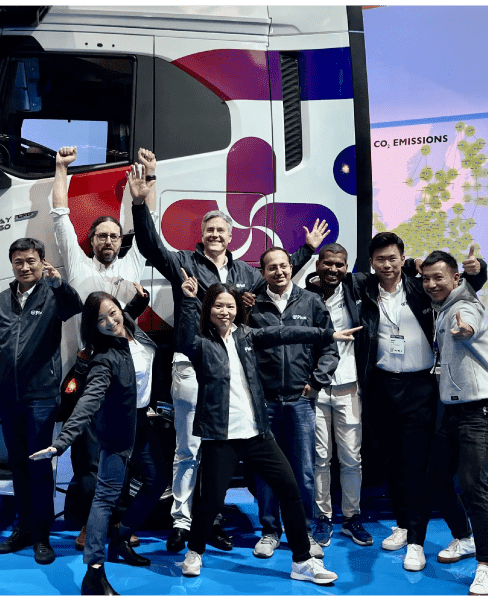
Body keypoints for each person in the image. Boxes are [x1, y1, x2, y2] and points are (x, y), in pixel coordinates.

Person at [128, 161, 329, 552]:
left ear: (231, 234)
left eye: (221, 229)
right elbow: (151, 245)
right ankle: (183, 522)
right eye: (209, 230)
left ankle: (212, 519)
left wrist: (307, 251)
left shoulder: (244, 273)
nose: (216, 234)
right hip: (191, 364)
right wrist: (140, 205)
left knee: (223, 450)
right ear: (201, 236)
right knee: (189, 447)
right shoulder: (183, 262)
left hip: (231, 370)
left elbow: (278, 275)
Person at [177, 275, 356, 585]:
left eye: (230, 306)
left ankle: (302, 560)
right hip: (222, 437)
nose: (225, 311)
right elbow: (183, 337)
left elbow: (284, 332)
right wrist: (191, 301)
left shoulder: (246, 336)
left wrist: (327, 334)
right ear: (208, 310)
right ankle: (194, 551)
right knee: (211, 501)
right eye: (218, 306)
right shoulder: (200, 344)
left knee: (290, 490)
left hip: (257, 433)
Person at [353, 232, 487, 573]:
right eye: (380, 259)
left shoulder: (420, 287)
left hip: (420, 387)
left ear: (403, 259)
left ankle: (416, 541)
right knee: (392, 463)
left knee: (417, 466)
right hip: (382, 386)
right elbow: (324, 277)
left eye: (393, 258)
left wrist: (478, 270)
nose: (386, 264)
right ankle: (402, 524)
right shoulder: (364, 290)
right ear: (371, 262)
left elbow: (465, 286)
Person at [49, 145, 155, 551]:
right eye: (101, 235)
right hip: (87, 372)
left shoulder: (132, 266)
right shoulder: (78, 266)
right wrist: (61, 169)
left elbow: (147, 222)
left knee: (122, 458)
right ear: (90, 240)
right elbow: (60, 214)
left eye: (114, 235)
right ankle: (90, 525)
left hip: (128, 380)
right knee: (88, 459)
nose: (108, 240)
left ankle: (112, 525)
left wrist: (148, 181)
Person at [30, 290, 169, 596]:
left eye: (113, 313)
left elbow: (126, 313)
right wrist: (61, 442)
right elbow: (87, 402)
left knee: (157, 480)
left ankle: (121, 537)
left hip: (142, 423)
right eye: (100, 319)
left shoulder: (131, 328)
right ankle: (94, 573)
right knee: (104, 499)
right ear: (93, 327)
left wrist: (139, 299)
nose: (110, 321)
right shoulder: (104, 359)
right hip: (118, 431)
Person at [0, 238, 83, 565]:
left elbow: (75, 307)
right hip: (9, 398)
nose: (25, 267)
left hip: (41, 397)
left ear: (41, 262)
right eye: (18, 262)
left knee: (39, 465)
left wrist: (59, 283)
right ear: (12, 264)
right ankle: (24, 528)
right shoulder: (0, 301)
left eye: (31, 261)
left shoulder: (54, 294)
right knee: (17, 465)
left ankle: (42, 535)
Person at [415, 250, 488, 595]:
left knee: (472, 486)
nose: (432, 284)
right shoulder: (441, 306)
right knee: (436, 479)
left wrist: (465, 330)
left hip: (480, 412)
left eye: (439, 278)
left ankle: (486, 566)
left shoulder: (465, 305)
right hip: (452, 412)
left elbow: (469, 322)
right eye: (426, 278)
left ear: (456, 279)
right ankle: (464, 537)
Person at [247, 247, 339, 560]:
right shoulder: (252, 306)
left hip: (301, 402)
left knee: (304, 470)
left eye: (284, 266)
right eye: (271, 267)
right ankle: (270, 532)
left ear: (292, 268)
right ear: (262, 273)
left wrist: (316, 382)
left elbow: (330, 348)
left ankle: (305, 532)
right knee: (266, 472)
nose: (279, 272)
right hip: (265, 404)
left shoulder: (311, 301)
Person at [304, 243, 373, 546]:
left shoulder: (356, 291)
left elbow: (393, 274)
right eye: (328, 263)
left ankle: (352, 517)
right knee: (320, 458)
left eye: (340, 264)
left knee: (351, 458)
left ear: (347, 268)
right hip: (316, 387)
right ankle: (322, 518)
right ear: (317, 264)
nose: (333, 269)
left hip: (350, 385)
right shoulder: (304, 297)